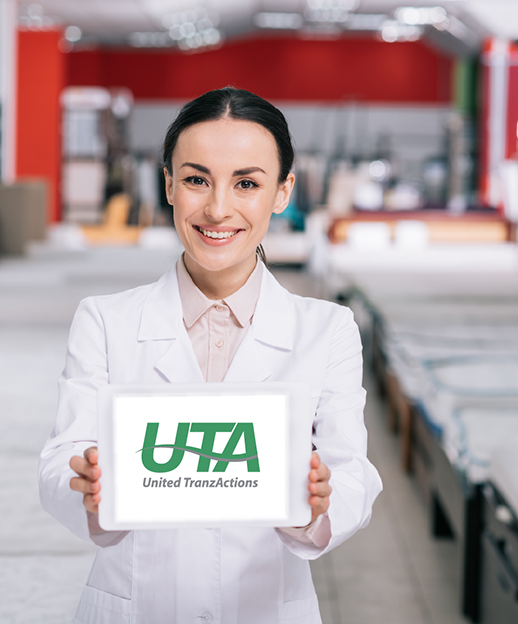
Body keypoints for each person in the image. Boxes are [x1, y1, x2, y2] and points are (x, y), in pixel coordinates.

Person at [38, 87, 382, 624]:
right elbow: (62, 460)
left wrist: (317, 506)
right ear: (170, 185)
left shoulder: (327, 330)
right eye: (197, 180)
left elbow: (351, 473)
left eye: (247, 183)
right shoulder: (106, 320)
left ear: (283, 191)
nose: (218, 208)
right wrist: (87, 484)